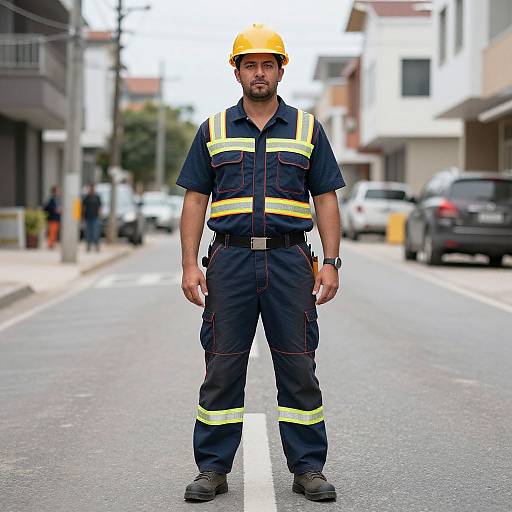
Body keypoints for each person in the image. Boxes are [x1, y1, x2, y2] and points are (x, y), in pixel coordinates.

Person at [176, 23, 345, 503]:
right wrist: (190, 265)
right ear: (236, 71)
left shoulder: (308, 129)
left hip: (291, 260)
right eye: (249, 64)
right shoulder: (213, 129)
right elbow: (194, 200)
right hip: (228, 261)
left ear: (280, 69)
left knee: (298, 366)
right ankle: (212, 468)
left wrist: (331, 261)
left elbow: (326, 199)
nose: (259, 72)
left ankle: (308, 467)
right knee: (223, 366)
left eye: (267, 64)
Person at [82, 183, 102, 252]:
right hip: (88, 218)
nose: (91, 190)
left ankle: (97, 246)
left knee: (96, 232)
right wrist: (83, 217)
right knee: (88, 233)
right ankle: (88, 246)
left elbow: (100, 207)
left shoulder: (97, 197)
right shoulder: (86, 197)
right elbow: (83, 208)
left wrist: (100, 216)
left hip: (95, 217)